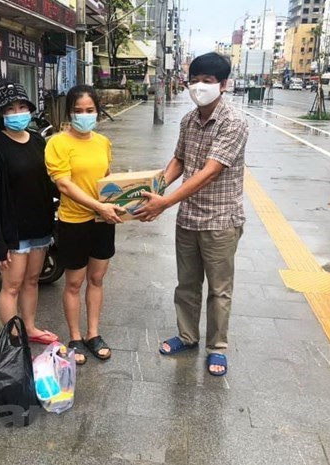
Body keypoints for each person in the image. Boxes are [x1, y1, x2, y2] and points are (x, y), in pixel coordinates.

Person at [136, 52, 248, 376]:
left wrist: (165, 203)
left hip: (220, 221)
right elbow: (179, 161)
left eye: (208, 81)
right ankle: (187, 336)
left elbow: (211, 170)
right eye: (194, 79)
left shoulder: (234, 122)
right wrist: (154, 188)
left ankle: (217, 348)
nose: (199, 86)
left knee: (219, 288)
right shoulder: (188, 120)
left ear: (223, 85)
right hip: (188, 219)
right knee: (186, 283)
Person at [45, 85, 126, 365]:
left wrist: (119, 201)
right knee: (74, 282)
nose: (84, 115)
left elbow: (105, 179)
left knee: (97, 279)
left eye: (89, 110)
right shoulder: (57, 143)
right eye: (78, 111)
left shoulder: (103, 142)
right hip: (74, 222)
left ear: (97, 111)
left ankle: (93, 334)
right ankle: (76, 337)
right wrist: (98, 206)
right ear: (69, 112)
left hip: (102, 221)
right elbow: (64, 184)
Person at [0, 82, 59, 345]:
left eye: (22, 107)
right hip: (13, 232)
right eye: (10, 108)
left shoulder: (37, 140)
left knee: (32, 280)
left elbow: (47, 181)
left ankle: (31, 327)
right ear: (1, 114)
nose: (18, 112)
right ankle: (13, 337)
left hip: (39, 225)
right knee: (12, 286)